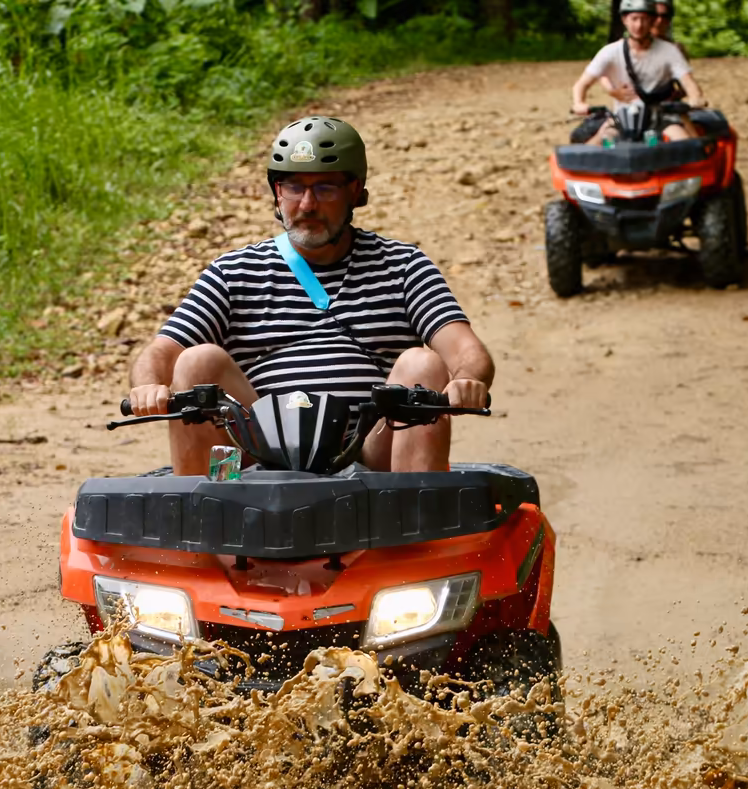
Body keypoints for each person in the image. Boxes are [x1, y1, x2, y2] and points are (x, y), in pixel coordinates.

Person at [128, 117, 494, 476]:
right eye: (293, 188)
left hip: (367, 452)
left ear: (355, 192)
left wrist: (467, 381)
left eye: (325, 189)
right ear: (276, 193)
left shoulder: (404, 266)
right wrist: (148, 386)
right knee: (196, 361)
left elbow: (467, 351)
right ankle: (200, 521)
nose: (307, 205)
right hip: (258, 450)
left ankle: (417, 527)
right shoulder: (233, 271)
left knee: (422, 365)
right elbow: (161, 352)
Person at [571, 0, 706, 146]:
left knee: (685, 144)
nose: (639, 25)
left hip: (661, 116)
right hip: (620, 117)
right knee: (594, 147)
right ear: (625, 20)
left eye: (644, 19)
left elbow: (688, 82)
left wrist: (695, 97)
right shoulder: (610, 52)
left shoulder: (670, 51)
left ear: (652, 21)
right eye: (634, 19)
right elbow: (582, 84)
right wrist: (579, 103)